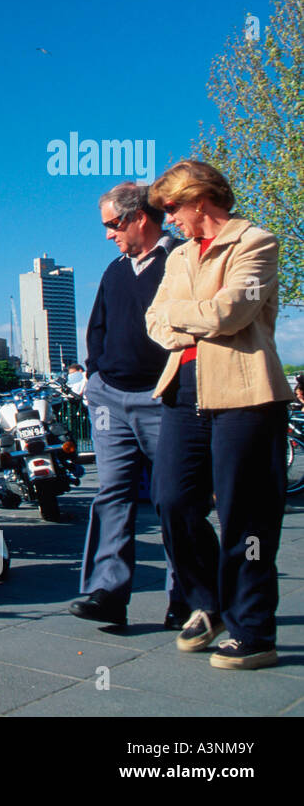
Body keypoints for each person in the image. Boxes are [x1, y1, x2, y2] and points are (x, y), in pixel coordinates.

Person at [145, 160, 293, 670]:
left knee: (246, 518)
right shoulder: (179, 256)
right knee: (170, 501)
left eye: (172, 208)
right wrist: (194, 319)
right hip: (182, 392)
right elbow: (153, 321)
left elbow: (231, 313)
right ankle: (209, 603)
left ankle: (253, 631)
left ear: (199, 201)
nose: (169, 220)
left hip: (246, 393)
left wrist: (185, 317)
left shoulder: (257, 242)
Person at [70, 182, 183, 629]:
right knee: (112, 494)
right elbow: (96, 327)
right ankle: (107, 593)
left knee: (174, 500)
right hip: (108, 399)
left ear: (139, 217)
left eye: (112, 224)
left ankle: (186, 597)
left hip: (162, 398)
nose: (107, 234)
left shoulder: (181, 261)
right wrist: (95, 374)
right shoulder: (115, 271)